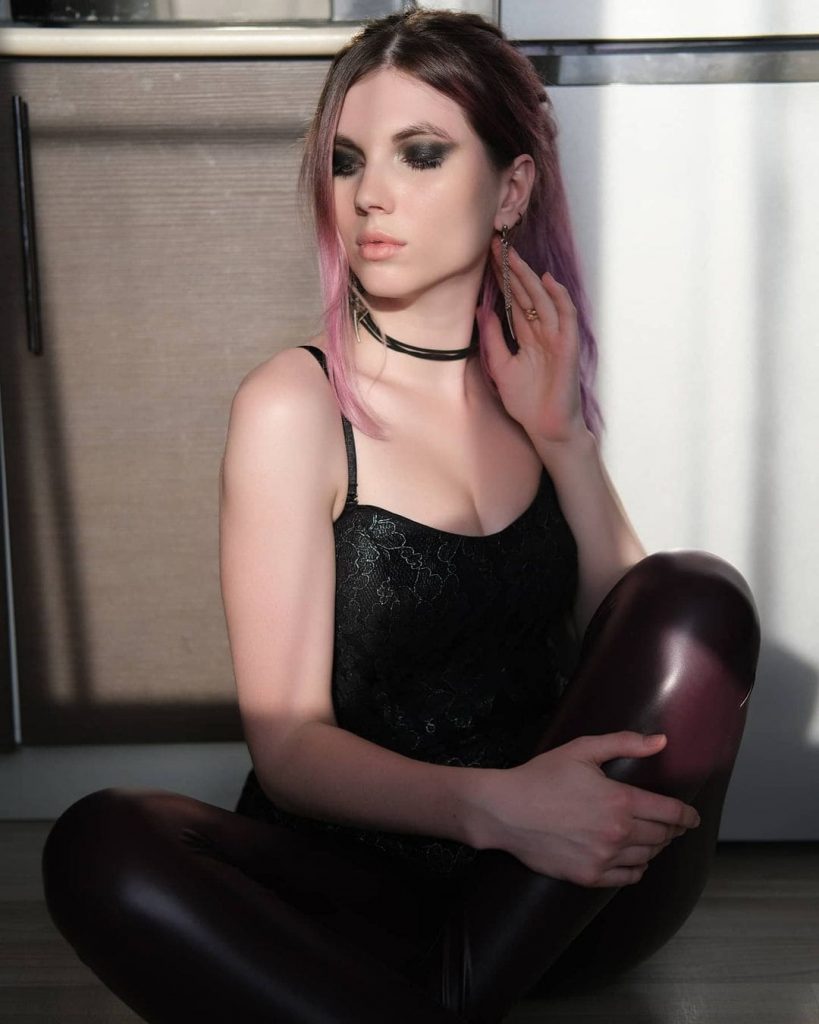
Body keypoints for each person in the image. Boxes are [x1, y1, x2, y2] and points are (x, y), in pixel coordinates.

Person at [40, 7, 760, 1024]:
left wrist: (564, 439)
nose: (368, 193)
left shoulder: (531, 397)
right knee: (101, 841)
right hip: (363, 892)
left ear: (511, 189)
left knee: (696, 595)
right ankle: (448, 998)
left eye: (419, 155)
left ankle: (439, 992)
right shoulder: (294, 406)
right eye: (346, 161)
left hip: (549, 894)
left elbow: (636, 655)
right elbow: (290, 752)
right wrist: (495, 807)